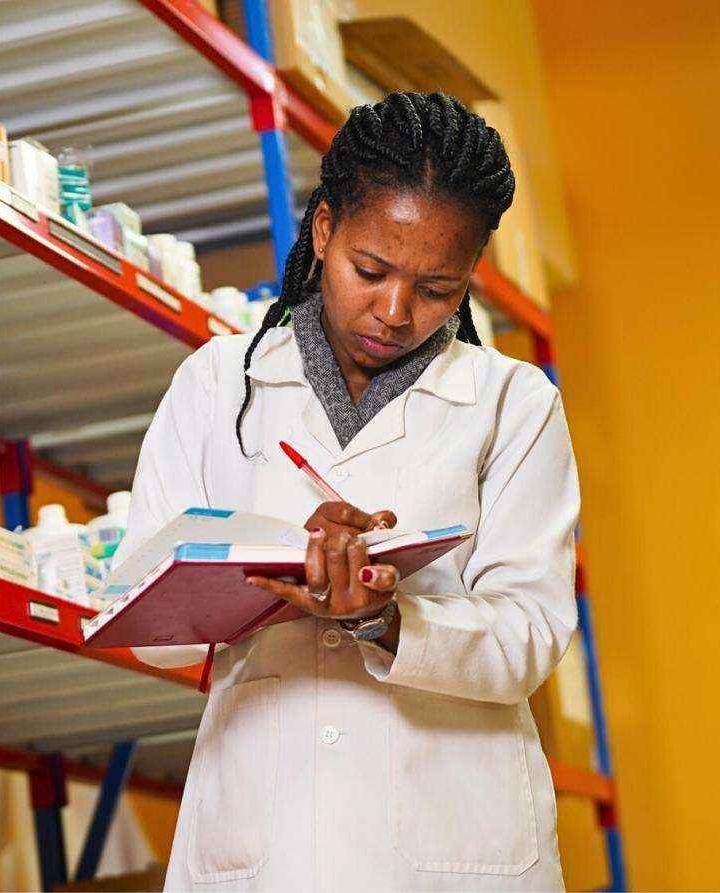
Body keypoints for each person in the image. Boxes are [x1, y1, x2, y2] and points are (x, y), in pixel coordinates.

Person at [115, 92, 579, 890]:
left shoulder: (515, 402)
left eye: (437, 288)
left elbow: (530, 633)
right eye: (371, 270)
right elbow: (149, 624)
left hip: (456, 843)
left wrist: (384, 617)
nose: (395, 311)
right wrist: (270, 577)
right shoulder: (218, 385)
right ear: (324, 229)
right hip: (269, 839)